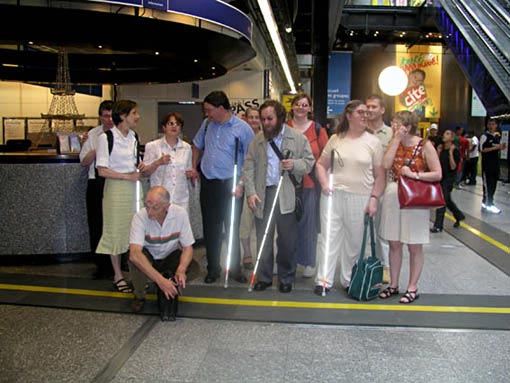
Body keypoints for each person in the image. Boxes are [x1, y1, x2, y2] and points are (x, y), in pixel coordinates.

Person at [313, 100, 385, 296]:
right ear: (349, 115)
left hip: (360, 197)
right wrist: (324, 183)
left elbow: (380, 176)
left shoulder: (374, 142)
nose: (365, 115)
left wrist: (374, 199)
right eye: (360, 112)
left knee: (354, 241)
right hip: (332, 195)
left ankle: (348, 279)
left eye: (367, 112)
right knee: (328, 237)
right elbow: (321, 164)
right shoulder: (336, 139)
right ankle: (323, 280)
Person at [242, 99, 314, 293]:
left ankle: (286, 277)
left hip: (287, 194)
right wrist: (250, 192)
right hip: (262, 194)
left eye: (270, 119)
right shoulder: (257, 139)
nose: (265, 123)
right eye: (263, 119)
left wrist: (294, 164)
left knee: (287, 241)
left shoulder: (297, 138)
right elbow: (248, 167)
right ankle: (264, 277)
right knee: (263, 239)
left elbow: (309, 162)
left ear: (281, 118)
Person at [190, 91, 254, 284]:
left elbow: (250, 160)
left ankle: (235, 268)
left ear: (221, 108)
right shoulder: (207, 124)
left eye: (209, 110)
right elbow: (196, 145)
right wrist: (194, 167)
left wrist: (242, 183)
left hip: (231, 185)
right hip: (209, 182)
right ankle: (213, 268)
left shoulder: (242, 129)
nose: (207, 114)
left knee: (232, 227)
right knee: (211, 228)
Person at [378, 110, 441, 304]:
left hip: (414, 197)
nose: (394, 128)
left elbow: (438, 174)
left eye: (398, 124)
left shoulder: (425, 145)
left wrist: (415, 175)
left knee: (414, 244)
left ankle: (412, 286)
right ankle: (394, 284)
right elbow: (386, 164)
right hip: (394, 194)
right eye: (393, 124)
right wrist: (396, 140)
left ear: (409, 126)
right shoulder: (393, 143)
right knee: (394, 243)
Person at [95, 99, 143, 293]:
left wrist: (142, 167)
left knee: (134, 230)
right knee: (115, 231)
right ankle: (118, 275)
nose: (137, 117)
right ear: (123, 116)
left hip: (133, 189)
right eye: (134, 113)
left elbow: (136, 162)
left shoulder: (134, 136)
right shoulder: (106, 138)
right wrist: (126, 176)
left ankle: (136, 272)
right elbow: (102, 170)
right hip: (115, 189)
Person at [128, 186, 194, 321]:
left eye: (155, 208)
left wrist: (181, 270)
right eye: (147, 205)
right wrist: (160, 280)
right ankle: (139, 295)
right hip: (150, 256)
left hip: (169, 255)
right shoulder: (140, 217)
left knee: (192, 266)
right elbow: (135, 253)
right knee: (135, 261)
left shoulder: (180, 214)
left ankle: (171, 283)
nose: (149, 211)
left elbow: (188, 247)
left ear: (167, 206)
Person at [287, 93, 328, 278]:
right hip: (287, 183)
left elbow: (326, 156)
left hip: (310, 183)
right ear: (292, 106)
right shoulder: (284, 127)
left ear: (310, 108)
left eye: (305, 105)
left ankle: (308, 261)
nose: (301, 108)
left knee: (308, 224)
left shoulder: (318, 130)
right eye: (298, 104)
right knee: (288, 224)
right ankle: (290, 259)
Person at [79, 100, 114, 279]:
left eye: (111, 115)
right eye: (105, 116)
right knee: (97, 225)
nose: (109, 119)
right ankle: (101, 265)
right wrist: (96, 149)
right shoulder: (92, 134)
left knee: (114, 224)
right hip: (96, 183)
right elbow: (83, 161)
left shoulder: (123, 134)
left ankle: (119, 261)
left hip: (116, 183)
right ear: (100, 117)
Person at [140, 112, 193, 213]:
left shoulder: (187, 147)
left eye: (177, 124)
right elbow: (145, 173)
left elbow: (187, 171)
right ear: (164, 127)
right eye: (170, 123)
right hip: (159, 196)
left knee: (179, 227)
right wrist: (158, 162)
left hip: (180, 197)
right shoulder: (152, 146)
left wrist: (191, 174)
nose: (174, 126)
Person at [366, 94, 392, 283]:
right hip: (361, 186)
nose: (369, 110)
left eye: (374, 107)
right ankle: (361, 262)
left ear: (382, 110)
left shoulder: (391, 134)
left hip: (384, 188)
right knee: (359, 229)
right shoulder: (360, 132)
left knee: (383, 229)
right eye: (367, 106)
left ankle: (385, 267)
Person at [431, 129, 465, 232]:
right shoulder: (440, 148)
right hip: (441, 177)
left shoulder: (455, 151)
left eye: (447, 134)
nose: (444, 135)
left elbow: (453, 166)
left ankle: (438, 225)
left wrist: (450, 153)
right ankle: (459, 215)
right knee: (447, 200)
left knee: (442, 200)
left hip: (449, 178)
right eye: (444, 133)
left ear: (452, 138)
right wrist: (438, 152)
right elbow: (436, 163)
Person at [239, 107, 261, 270]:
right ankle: (247, 253)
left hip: (262, 184)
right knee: (245, 222)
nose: (254, 120)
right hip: (246, 183)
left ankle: (263, 255)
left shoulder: (266, 136)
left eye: (256, 117)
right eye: (251, 117)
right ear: (245, 118)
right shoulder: (241, 136)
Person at [480, 119, 506, 214]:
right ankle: (488, 204)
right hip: (487, 166)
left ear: (496, 126)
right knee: (487, 186)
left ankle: (488, 203)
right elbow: (482, 149)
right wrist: (495, 148)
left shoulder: (497, 137)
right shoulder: (484, 136)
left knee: (493, 185)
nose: (491, 126)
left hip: (495, 165)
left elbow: (500, 149)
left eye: (493, 124)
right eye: (490, 124)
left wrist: (501, 148)